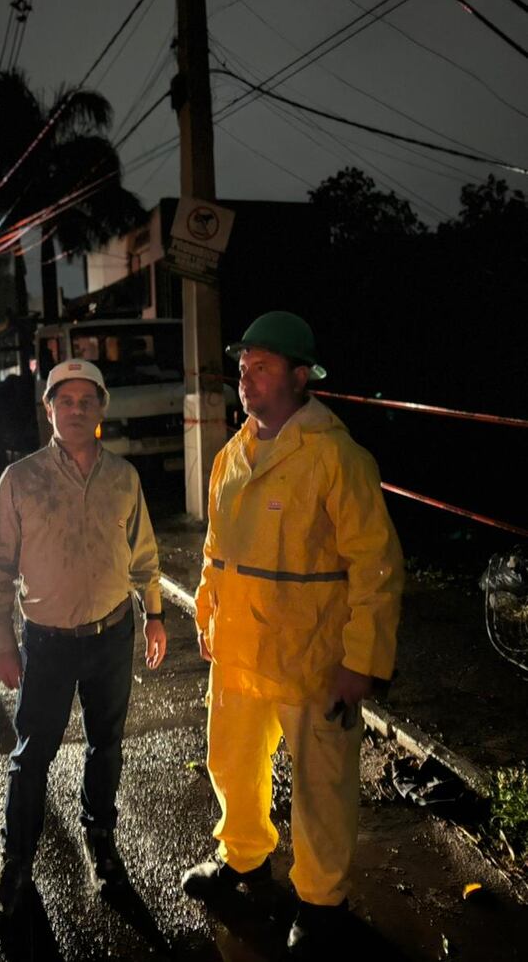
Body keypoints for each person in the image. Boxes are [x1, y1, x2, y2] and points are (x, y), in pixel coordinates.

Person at [181, 312, 403, 959]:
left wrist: (361, 660)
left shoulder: (336, 456)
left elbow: (377, 564)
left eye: (262, 367)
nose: (246, 378)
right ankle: (242, 859)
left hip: (312, 654)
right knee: (231, 762)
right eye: (244, 366)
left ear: (300, 377)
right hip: (241, 651)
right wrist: (207, 612)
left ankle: (321, 903)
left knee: (320, 785)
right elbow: (216, 547)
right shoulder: (233, 454)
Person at [0, 358, 167, 924]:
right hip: (49, 641)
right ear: (50, 409)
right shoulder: (21, 479)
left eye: (89, 400)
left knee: (105, 744)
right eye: (67, 400)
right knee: (31, 754)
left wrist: (154, 616)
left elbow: (145, 558)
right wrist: (2, 640)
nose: (78, 409)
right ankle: (16, 864)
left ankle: (101, 843)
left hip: (111, 634)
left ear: (101, 409)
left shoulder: (123, 479)